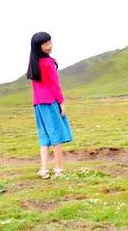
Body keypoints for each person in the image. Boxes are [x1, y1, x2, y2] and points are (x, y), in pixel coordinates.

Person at [27, 31, 73, 179]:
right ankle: (58, 168)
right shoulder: (48, 62)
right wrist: (61, 103)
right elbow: (55, 85)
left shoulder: (33, 64)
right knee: (56, 135)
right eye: (46, 44)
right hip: (50, 102)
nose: (50, 46)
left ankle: (44, 169)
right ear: (38, 46)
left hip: (38, 104)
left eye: (50, 42)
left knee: (44, 136)